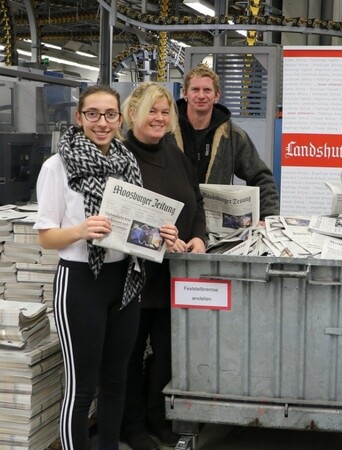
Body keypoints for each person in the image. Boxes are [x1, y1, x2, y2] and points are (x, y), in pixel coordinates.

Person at [34, 85, 177, 450]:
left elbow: (136, 229)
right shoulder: (57, 166)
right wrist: (81, 230)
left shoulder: (127, 162)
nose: (102, 122)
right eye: (93, 114)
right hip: (81, 282)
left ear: (119, 118)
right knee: (82, 389)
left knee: (116, 382)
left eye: (110, 114)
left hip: (125, 281)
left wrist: (161, 233)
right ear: (79, 117)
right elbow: (46, 237)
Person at [119, 83, 207, 450]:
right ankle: (133, 425)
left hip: (174, 274)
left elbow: (196, 201)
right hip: (134, 277)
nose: (159, 118)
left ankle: (159, 417)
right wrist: (158, 238)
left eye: (164, 112)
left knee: (167, 354)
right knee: (131, 353)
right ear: (132, 114)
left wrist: (199, 237)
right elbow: (117, 219)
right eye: (151, 112)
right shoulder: (121, 158)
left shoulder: (174, 153)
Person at [171, 64, 279, 218]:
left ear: (217, 96)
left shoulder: (233, 136)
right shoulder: (166, 131)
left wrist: (268, 218)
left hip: (212, 222)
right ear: (185, 93)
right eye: (195, 89)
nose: (201, 95)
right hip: (173, 222)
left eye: (207, 90)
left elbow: (262, 177)